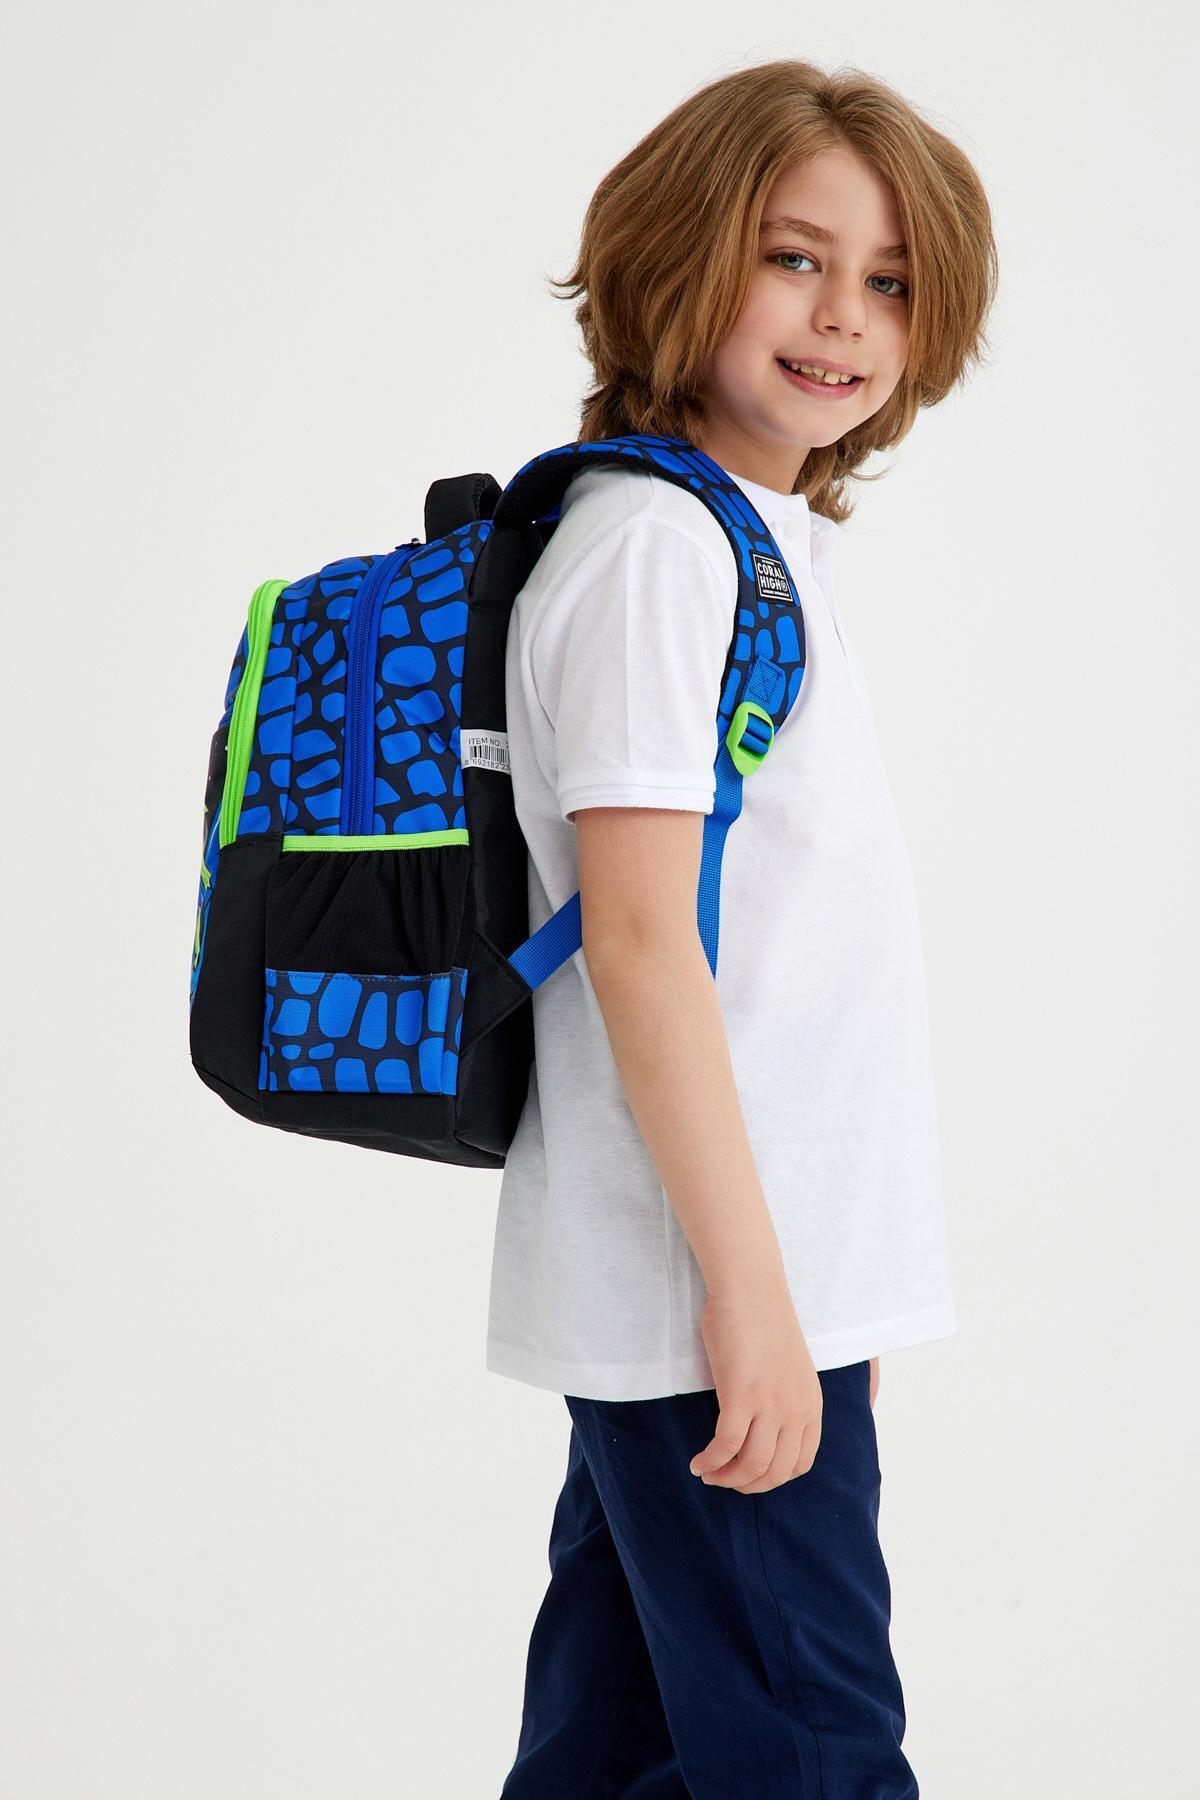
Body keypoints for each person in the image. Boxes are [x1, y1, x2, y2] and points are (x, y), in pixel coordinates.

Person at [488, 56, 998, 1799]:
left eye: (892, 281)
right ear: (680, 254)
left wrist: (794, 1297)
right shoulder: (657, 550)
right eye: (795, 257)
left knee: (618, 1756)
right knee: (817, 1757)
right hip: (711, 1290)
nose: (845, 315)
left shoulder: (741, 540)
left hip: (733, 1286)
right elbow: (638, 937)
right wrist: (755, 1301)